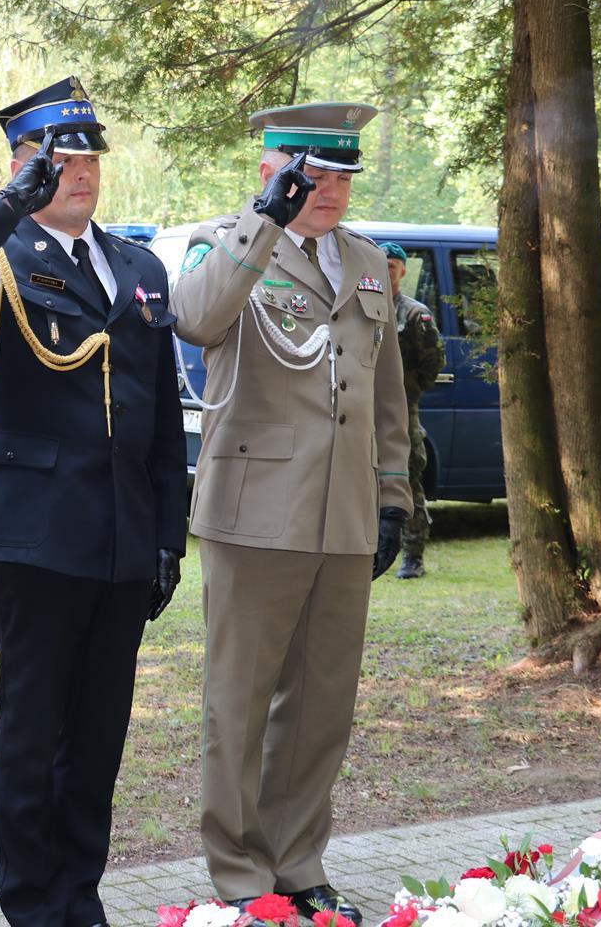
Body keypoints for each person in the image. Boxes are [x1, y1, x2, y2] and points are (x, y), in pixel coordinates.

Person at [0, 77, 188, 927]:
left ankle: (79, 899)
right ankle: (31, 907)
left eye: (90, 156)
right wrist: (3, 209)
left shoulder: (139, 267)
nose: (81, 172)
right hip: (37, 538)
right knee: (33, 738)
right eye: (59, 159)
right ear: (25, 167)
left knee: (98, 738)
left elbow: (161, 420)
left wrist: (167, 537)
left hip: (122, 539)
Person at [170, 102, 412, 925]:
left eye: (344, 175)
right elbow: (196, 318)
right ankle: (241, 873)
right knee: (239, 702)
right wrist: (263, 222)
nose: (331, 189)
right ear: (273, 171)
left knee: (321, 705)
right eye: (315, 175)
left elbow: (387, 394)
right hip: (255, 511)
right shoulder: (228, 242)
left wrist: (391, 495)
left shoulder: (368, 260)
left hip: (343, 515)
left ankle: (298, 862)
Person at [379, 242, 445, 579]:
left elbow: (432, 361)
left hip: (402, 410)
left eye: (392, 265)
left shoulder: (414, 313)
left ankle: (413, 556)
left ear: (403, 270)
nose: (386, 269)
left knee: (408, 477)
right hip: (362, 408)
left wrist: (409, 390)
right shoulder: (363, 306)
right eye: (382, 264)